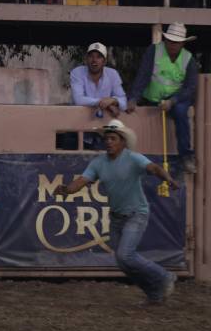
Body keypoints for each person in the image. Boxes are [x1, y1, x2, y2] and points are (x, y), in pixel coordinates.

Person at [53, 119, 179, 305]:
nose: (108, 142)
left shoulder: (133, 158)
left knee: (125, 256)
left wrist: (167, 179)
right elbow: (81, 181)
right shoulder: (99, 163)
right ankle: (154, 293)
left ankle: (165, 276)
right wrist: (67, 190)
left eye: (113, 138)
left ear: (122, 142)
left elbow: (153, 168)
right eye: (107, 139)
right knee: (123, 262)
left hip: (137, 213)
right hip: (117, 217)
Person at [126, 24, 198, 174]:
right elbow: (143, 74)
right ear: (165, 39)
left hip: (176, 99)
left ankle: (186, 156)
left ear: (182, 43)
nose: (172, 45)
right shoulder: (153, 50)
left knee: (180, 112)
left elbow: (190, 87)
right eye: (170, 41)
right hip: (152, 98)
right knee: (136, 116)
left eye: (176, 42)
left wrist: (173, 101)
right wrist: (133, 97)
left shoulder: (188, 59)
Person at [70, 42, 127, 118]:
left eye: (99, 57)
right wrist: (105, 103)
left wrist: (113, 100)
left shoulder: (113, 74)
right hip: (80, 121)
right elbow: (78, 99)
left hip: (106, 125)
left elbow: (124, 103)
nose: (94, 60)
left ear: (104, 61)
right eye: (91, 56)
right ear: (86, 59)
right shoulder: (77, 72)